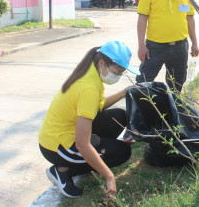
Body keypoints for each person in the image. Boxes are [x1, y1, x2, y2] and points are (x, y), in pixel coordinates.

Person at [38, 41, 140, 198]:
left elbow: (95, 108)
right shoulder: (88, 88)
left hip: (62, 134)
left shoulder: (90, 74)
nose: (118, 76)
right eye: (117, 71)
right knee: (122, 152)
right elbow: (82, 144)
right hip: (58, 147)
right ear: (102, 63)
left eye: (122, 72)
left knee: (119, 116)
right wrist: (109, 176)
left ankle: (93, 153)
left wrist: (122, 93)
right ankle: (62, 170)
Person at [136, 0, 199, 92]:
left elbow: (190, 18)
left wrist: (195, 43)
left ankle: (173, 111)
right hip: (154, 47)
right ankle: (143, 112)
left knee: (177, 86)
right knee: (143, 83)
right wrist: (141, 45)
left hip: (180, 47)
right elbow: (142, 18)